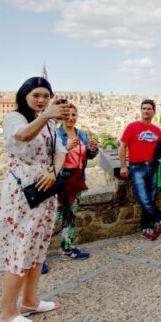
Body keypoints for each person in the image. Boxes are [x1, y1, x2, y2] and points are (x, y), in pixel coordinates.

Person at [0, 77, 69, 322]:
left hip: (44, 190)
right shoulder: (16, 118)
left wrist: (54, 172)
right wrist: (46, 116)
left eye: (46, 95)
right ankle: (6, 314)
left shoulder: (47, 124)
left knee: (37, 247)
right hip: (22, 192)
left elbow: (60, 152)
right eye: (36, 95)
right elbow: (22, 137)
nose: (41, 100)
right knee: (19, 248)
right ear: (24, 95)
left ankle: (30, 301)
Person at [118, 99, 161, 240]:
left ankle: (146, 228)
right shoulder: (132, 127)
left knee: (150, 198)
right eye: (144, 108)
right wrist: (123, 165)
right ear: (141, 111)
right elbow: (122, 146)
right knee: (143, 198)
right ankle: (160, 217)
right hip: (136, 166)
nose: (146, 111)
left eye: (149, 109)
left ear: (154, 112)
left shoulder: (157, 131)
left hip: (153, 166)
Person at [54, 103, 99, 259]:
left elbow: (87, 156)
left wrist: (92, 150)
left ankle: (68, 247)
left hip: (77, 179)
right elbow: (50, 157)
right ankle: (35, 257)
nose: (70, 118)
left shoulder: (82, 135)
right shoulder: (56, 134)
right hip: (60, 180)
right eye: (67, 115)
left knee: (70, 215)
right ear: (61, 117)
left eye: (74, 115)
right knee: (53, 217)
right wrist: (65, 147)